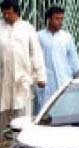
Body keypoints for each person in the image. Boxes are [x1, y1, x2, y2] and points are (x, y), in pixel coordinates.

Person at [0, 0, 46, 132]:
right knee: (2, 109)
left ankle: (20, 138)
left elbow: (36, 53)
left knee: (22, 111)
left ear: (16, 12)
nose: (6, 16)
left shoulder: (27, 28)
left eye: (9, 13)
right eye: (4, 13)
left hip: (22, 78)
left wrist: (41, 76)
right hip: (3, 77)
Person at [37, 6, 79, 110]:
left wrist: (78, 76)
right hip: (46, 82)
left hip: (64, 80)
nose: (60, 22)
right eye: (57, 18)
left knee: (65, 109)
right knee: (45, 109)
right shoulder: (39, 36)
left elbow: (74, 60)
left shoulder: (66, 37)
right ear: (49, 19)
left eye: (61, 19)